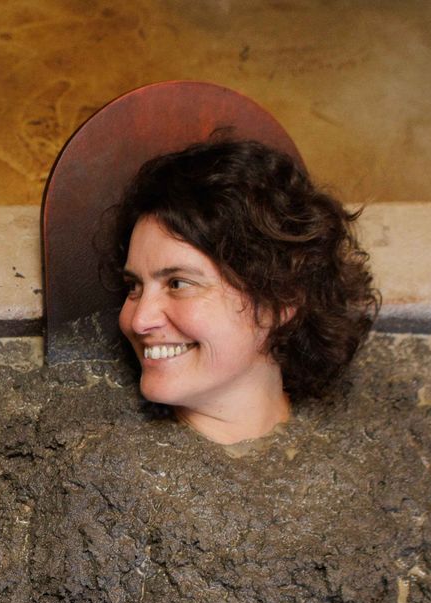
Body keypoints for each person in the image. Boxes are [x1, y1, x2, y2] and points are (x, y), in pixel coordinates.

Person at [110, 139, 378, 444]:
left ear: (282, 299)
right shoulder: (91, 467)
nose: (138, 320)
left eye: (178, 284)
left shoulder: (369, 451)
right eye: (134, 287)